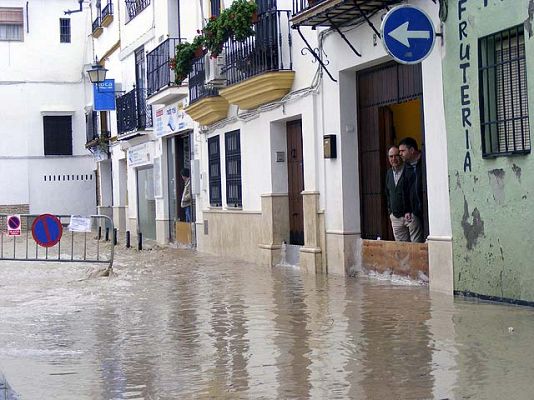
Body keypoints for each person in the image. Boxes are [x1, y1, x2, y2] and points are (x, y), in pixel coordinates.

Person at [398, 137, 424, 243]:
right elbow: (405, 190)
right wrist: (407, 210)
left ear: (412, 150)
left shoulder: (425, 162)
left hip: (427, 210)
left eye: (403, 151)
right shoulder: (406, 168)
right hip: (415, 212)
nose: (400, 154)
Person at [385, 145, 410, 242]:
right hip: (395, 217)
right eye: (391, 157)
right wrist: (390, 211)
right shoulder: (389, 174)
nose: (393, 159)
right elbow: (387, 193)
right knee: (401, 249)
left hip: (410, 216)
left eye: (396, 156)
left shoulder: (408, 170)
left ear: (400, 156)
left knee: (416, 246)